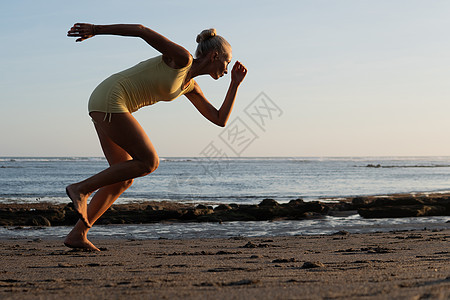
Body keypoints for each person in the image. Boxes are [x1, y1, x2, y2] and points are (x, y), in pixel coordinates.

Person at [65, 23, 247, 251]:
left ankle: (78, 234)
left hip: (107, 103)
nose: (227, 67)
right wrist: (96, 29)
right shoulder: (181, 59)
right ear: (215, 55)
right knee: (149, 161)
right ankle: (81, 189)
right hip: (112, 97)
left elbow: (219, 118)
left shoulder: (190, 86)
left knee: (122, 179)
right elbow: (142, 31)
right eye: (227, 61)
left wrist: (235, 84)